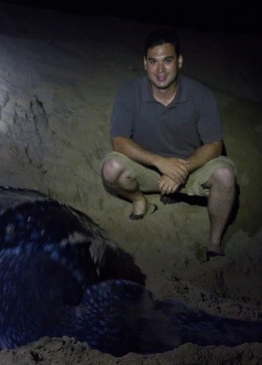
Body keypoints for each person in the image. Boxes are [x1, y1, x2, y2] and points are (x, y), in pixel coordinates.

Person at [100, 28, 236, 260]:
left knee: (225, 175)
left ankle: (214, 243)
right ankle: (140, 201)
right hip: (150, 169)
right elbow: (119, 140)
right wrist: (160, 162)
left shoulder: (201, 95)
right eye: (153, 61)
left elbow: (214, 144)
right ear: (144, 63)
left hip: (189, 167)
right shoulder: (129, 93)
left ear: (180, 61)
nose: (160, 70)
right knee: (111, 168)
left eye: (167, 61)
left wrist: (180, 170)